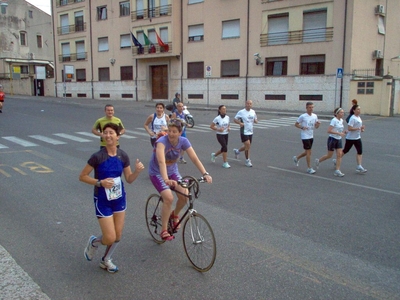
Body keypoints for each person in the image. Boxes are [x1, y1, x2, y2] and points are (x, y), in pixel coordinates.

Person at [79, 123, 145, 273]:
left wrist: (137, 171)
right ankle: (94, 242)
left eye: (111, 133)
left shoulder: (123, 155)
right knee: (109, 237)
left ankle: (106, 260)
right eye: (105, 133)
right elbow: (82, 176)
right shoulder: (97, 157)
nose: (108, 135)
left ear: (117, 136)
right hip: (102, 199)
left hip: (119, 198)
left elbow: (129, 179)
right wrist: (99, 182)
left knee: (118, 235)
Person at [148, 119, 212, 241]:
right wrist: (165, 179)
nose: (171, 134)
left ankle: (174, 215)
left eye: (174, 131)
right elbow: (161, 161)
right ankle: (164, 230)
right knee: (169, 198)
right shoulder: (161, 142)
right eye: (169, 131)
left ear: (180, 132)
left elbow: (194, 158)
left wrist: (205, 173)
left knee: (185, 194)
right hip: (157, 173)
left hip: (172, 171)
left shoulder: (183, 141)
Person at [315, 108, 347, 177]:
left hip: (339, 139)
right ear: (337, 114)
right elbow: (329, 131)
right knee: (329, 155)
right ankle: (318, 161)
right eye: (341, 112)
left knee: (339, 155)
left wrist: (343, 132)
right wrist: (338, 133)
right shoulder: (334, 120)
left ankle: (337, 170)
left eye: (343, 112)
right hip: (332, 139)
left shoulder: (341, 120)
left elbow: (339, 130)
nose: (343, 114)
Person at [337, 104, 367, 173]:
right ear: (354, 110)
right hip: (350, 138)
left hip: (357, 138)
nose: (359, 111)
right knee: (345, 151)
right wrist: (359, 128)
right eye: (358, 109)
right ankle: (338, 160)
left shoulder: (359, 117)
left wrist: (362, 129)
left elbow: (359, 127)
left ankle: (359, 166)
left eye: (359, 109)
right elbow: (349, 128)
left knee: (360, 151)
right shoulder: (352, 118)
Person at [293, 102, 321, 174]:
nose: (311, 109)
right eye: (309, 107)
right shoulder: (303, 116)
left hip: (311, 135)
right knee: (309, 152)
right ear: (306, 108)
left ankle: (296, 158)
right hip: (305, 136)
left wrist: (318, 124)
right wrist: (302, 127)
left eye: (312, 107)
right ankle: (309, 168)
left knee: (307, 152)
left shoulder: (315, 116)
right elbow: (296, 124)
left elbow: (316, 127)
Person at [233, 100, 258, 167]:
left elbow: (255, 119)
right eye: (248, 103)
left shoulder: (253, 112)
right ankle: (247, 160)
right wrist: (240, 123)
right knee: (248, 145)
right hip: (244, 131)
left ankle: (237, 151)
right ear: (245, 104)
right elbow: (235, 119)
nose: (249, 105)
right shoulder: (241, 112)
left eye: (250, 104)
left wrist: (255, 121)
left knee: (247, 146)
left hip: (250, 131)